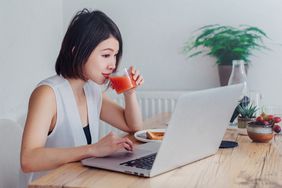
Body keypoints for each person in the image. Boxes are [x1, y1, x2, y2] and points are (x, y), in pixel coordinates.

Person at [20, 8, 144, 186]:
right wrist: (93, 149)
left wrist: (129, 93)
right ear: (76, 51)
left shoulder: (92, 91)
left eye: (115, 55)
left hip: (78, 182)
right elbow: (28, 159)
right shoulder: (47, 94)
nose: (113, 64)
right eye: (106, 55)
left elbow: (133, 126)